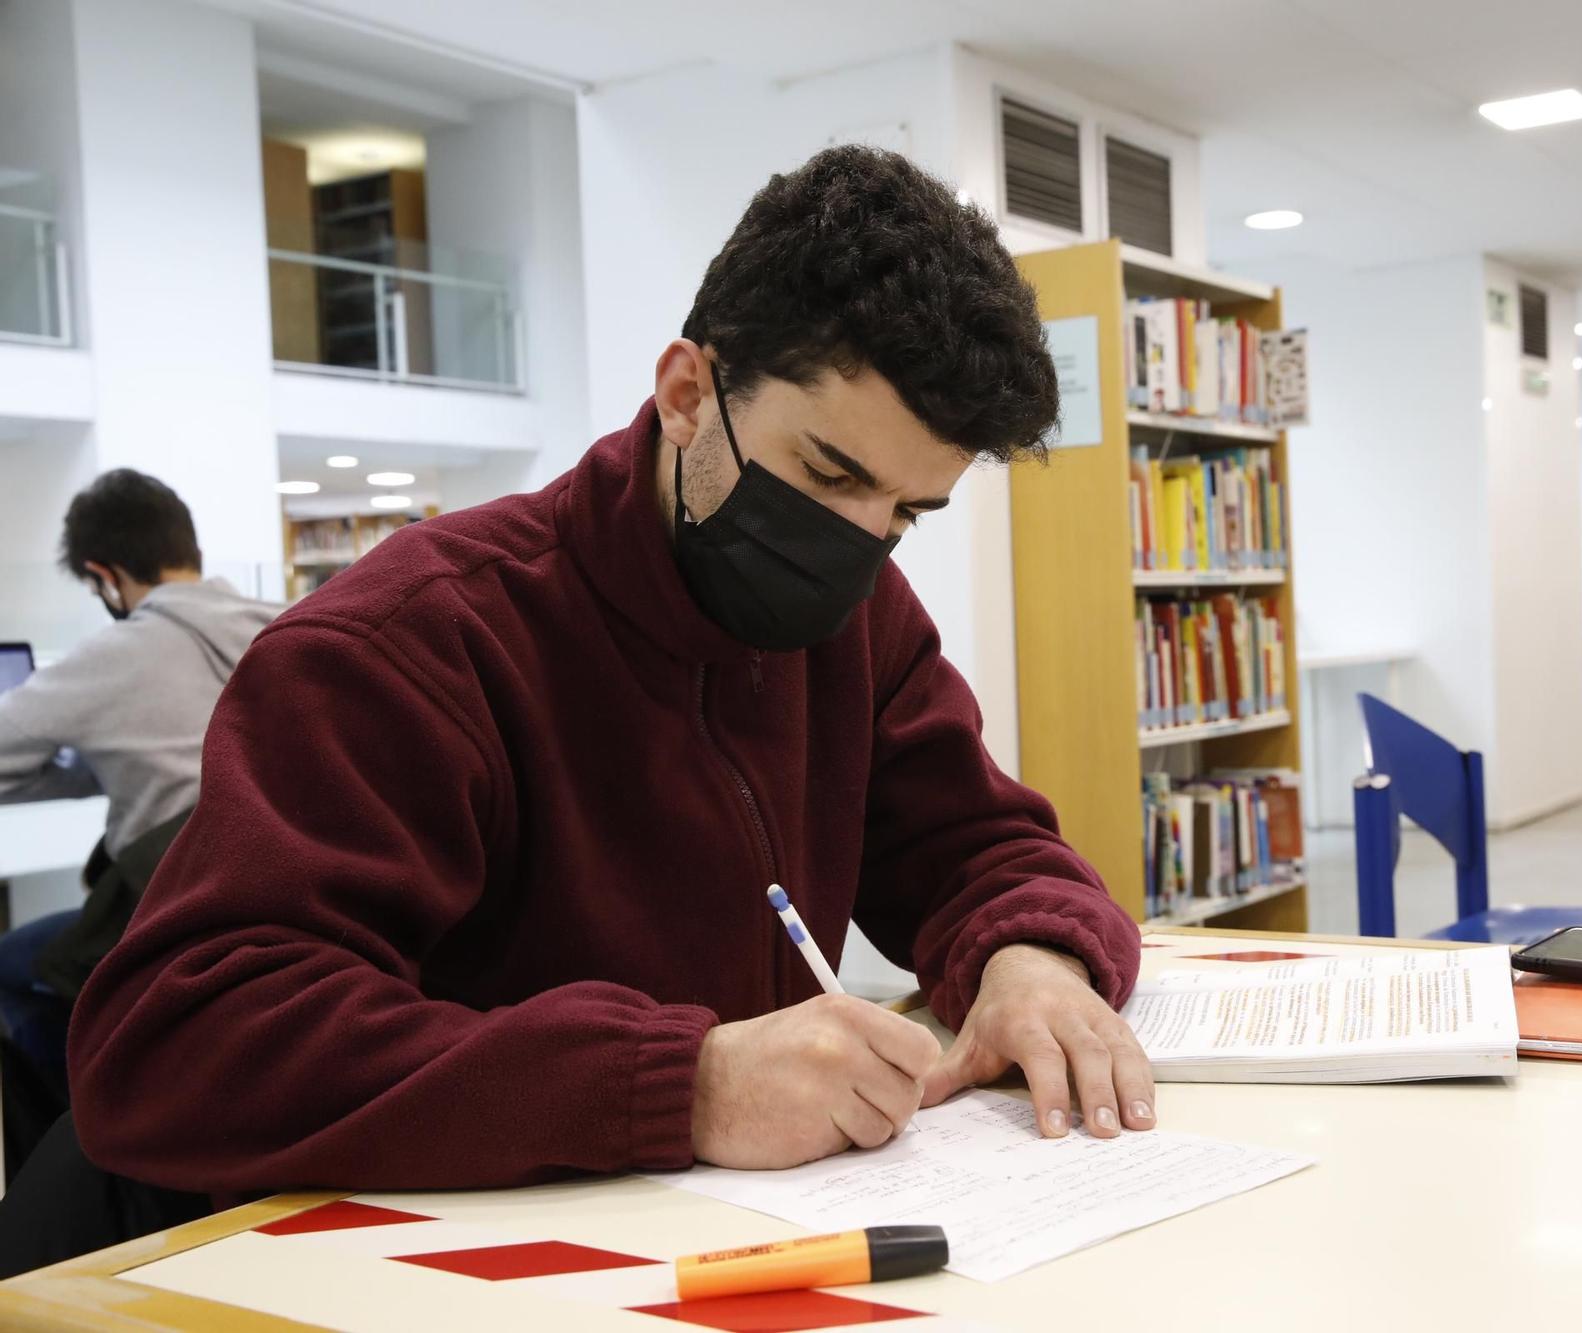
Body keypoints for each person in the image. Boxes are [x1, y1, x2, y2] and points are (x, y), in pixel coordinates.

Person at [68, 147, 1152, 1210]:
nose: (859, 547)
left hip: (718, 1240)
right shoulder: (412, 643)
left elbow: (978, 845)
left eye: (908, 514)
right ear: (687, 393)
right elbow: (176, 1041)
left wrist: (1030, 959)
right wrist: (683, 1084)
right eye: (828, 472)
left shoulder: (857, 620)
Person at [0, 470, 280, 1166]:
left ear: (103, 574)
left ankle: (79, 1138)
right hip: (282, 895)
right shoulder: (280, 620)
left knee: (13, 966)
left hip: (179, 908)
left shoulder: (115, 653)